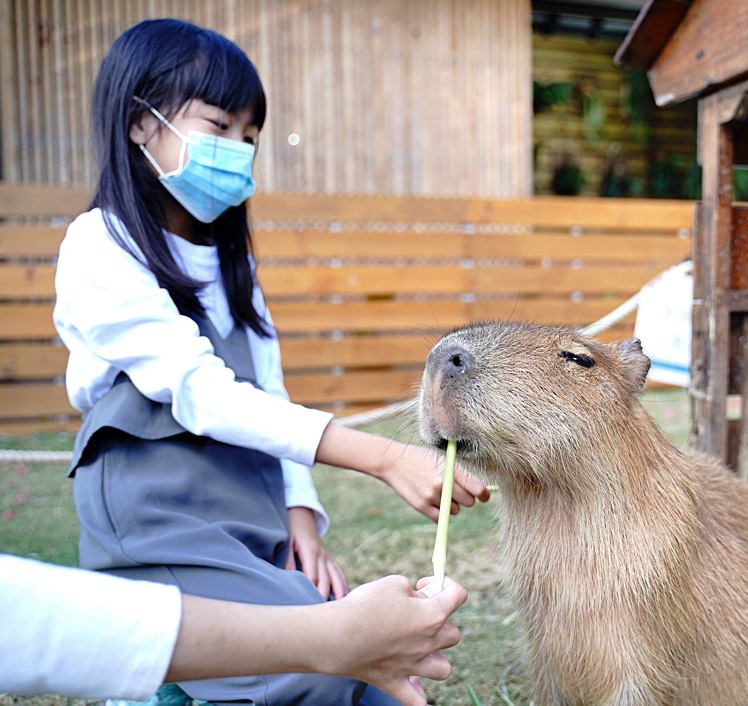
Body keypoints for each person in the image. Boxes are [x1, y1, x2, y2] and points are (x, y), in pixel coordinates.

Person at [52, 18, 488, 706]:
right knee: (324, 664)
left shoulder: (233, 264)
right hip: (158, 519)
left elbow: (268, 388)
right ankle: (159, 681)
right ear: (140, 122)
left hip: (246, 508)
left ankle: (172, 686)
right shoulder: (97, 246)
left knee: (358, 672)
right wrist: (382, 457)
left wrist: (300, 517)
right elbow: (202, 392)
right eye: (218, 126)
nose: (237, 150)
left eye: (249, 137)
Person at [0, 555, 466, 706]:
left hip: (247, 520)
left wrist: (300, 507)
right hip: (161, 520)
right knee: (318, 682)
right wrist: (337, 635)